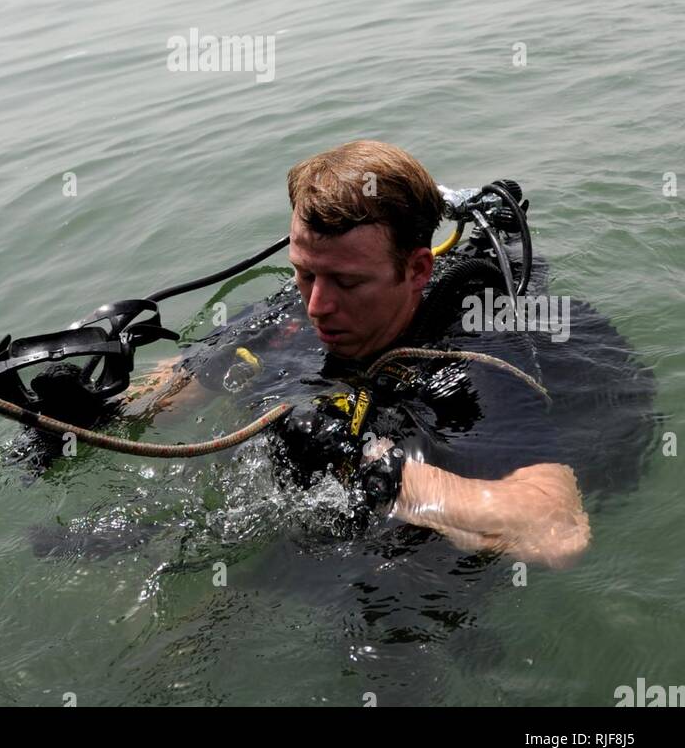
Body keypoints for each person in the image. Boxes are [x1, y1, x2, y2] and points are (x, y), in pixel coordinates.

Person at [139, 140, 592, 568]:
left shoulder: (475, 357)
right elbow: (167, 400)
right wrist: (91, 406)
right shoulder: (288, 315)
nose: (317, 306)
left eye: (347, 282)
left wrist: (370, 468)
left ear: (417, 269)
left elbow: (558, 532)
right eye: (305, 274)